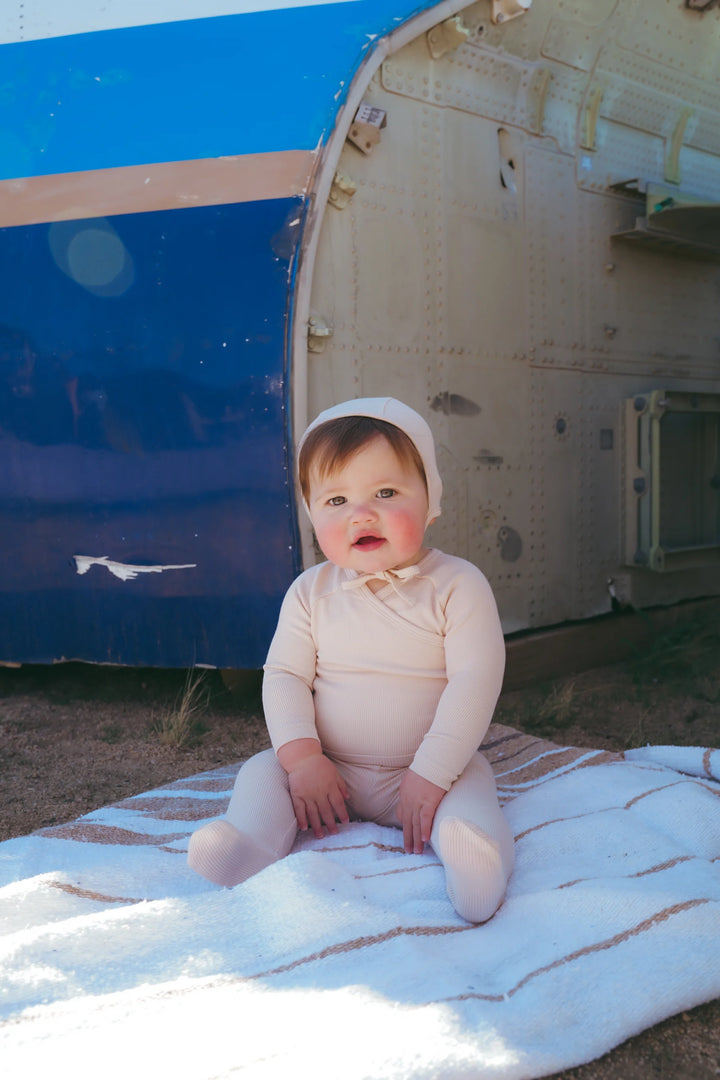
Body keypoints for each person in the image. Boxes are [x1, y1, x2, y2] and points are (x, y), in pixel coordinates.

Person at [188, 397, 513, 922]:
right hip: (328, 774)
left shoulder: (457, 585)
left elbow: (475, 680)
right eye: (336, 499)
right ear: (312, 512)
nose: (362, 513)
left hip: (431, 770)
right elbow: (286, 676)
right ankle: (246, 846)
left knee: (472, 791)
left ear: (430, 498)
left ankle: (475, 861)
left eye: (386, 492)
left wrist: (431, 773)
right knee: (262, 771)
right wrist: (303, 761)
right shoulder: (309, 592)